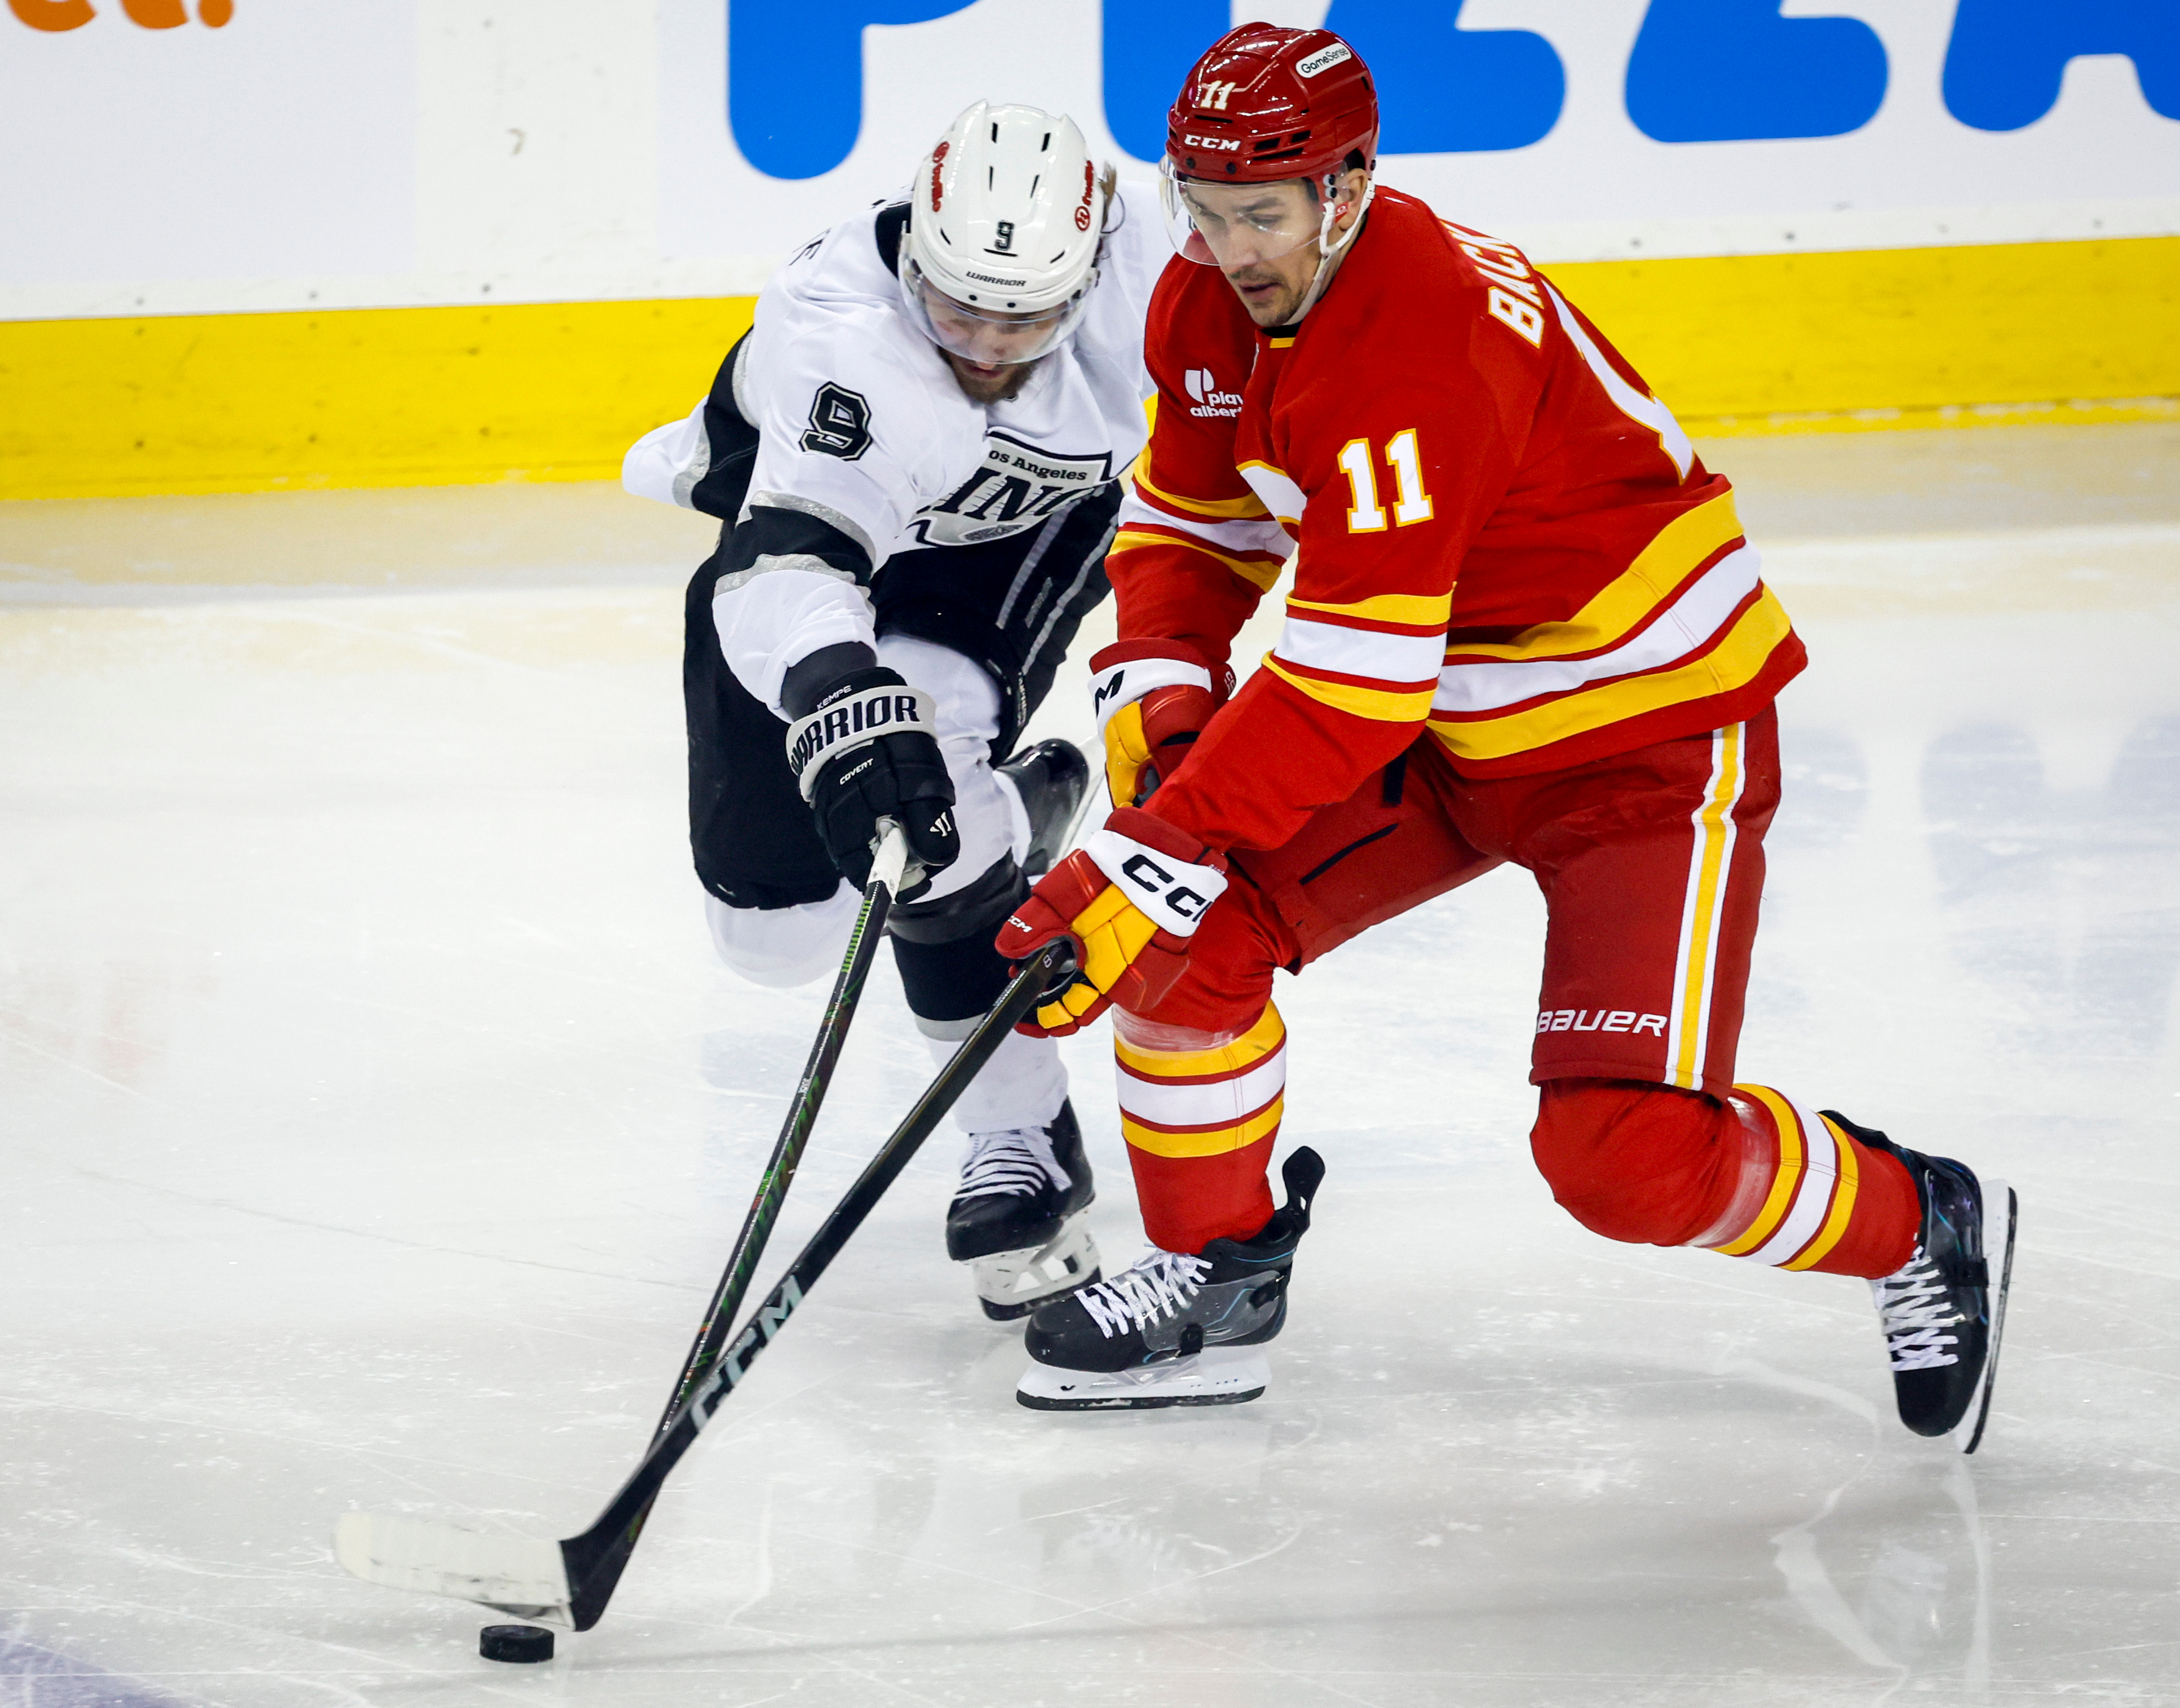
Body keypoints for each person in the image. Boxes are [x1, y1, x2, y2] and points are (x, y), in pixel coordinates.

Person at [996, 25, 2017, 1448]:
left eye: (1263, 214)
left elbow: (1350, 689)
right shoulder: (1205, 298)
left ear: (1348, 189)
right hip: (1446, 725)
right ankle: (1220, 1281)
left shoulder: (1419, 345)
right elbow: (1190, 521)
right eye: (1204, 207)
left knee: (1623, 1161)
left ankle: (1916, 1218)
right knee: (1182, 949)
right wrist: (1166, 709)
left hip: (1638, 749)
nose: (1229, 247)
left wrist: (1146, 847)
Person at [624, 102, 1169, 1321]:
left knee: (929, 823)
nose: (982, 339)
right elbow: (788, 571)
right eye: (955, 304)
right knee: (774, 942)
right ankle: (1004, 842)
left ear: (1090, 268)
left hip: (1011, 548)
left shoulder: (1167, 258)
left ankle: (1018, 1141)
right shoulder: (843, 339)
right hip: (810, 558)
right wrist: (837, 694)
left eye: (1022, 314)